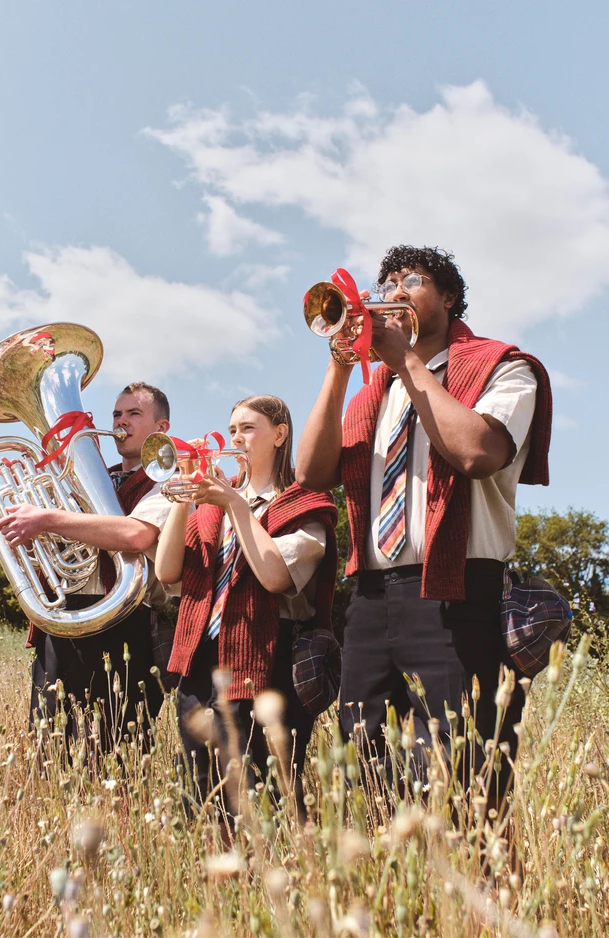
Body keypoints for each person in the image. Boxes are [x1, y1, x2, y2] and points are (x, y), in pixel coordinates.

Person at [296, 246, 552, 794]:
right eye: (386, 281)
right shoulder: (375, 393)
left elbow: (477, 452)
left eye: (411, 279)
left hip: (457, 592)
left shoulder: (503, 367)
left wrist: (406, 361)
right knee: (364, 770)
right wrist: (340, 365)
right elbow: (311, 473)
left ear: (450, 297)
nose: (393, 291)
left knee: (463, 774)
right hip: (371, 599)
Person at [155, 395, 338, 810]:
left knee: (258, 794)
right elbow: (167, 571)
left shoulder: (304, 503)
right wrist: (184, 496)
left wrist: (235, 504)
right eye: (232, 429)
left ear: (280, 435)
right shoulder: (212, 508)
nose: (236, 438)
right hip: (202, 660)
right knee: (201, 793)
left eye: (248, 428)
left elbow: (274, 576)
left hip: (267, 658)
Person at [0, 382, 175, 755]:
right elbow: (55, 545)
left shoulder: (169, 481)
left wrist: (46, 517)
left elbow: (136, 535)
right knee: (50, 749)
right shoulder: (85, 480)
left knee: (119, 751)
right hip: (63, 621)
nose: (121, 421)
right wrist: (23, 518)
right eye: (117, 414)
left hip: (127, 624)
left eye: (134, 413)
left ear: (161, 428)